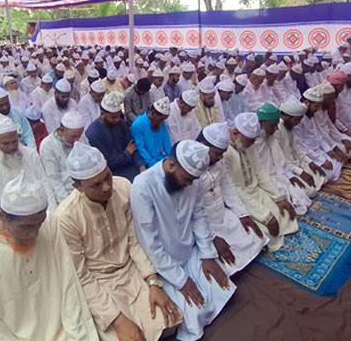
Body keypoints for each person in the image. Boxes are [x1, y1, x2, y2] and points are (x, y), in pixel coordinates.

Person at [56, 143, 182, 341]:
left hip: (131, 270)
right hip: (99, 283)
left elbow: (135, 240)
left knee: (169, 322)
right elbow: (81, 275)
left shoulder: (123, 186)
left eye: (107, 176)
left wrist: (153, 282)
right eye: (96, 185)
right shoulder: (66, 217)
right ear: (77, 187)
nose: (107, 187)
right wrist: (117, 319)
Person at [0, 172, 100, 341]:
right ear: (1, 215)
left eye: (39, 224)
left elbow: (70, 287)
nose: (35, 233)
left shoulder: (50, 225)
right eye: (26, 227)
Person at [131, 140, 236, 341]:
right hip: (163, 263)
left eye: (193, 180)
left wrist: (207, 255)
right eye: (187, 179)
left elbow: (199, 216)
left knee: (221, 287)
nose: (190, 184)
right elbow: (149, 242)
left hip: (189, 250)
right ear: (171, 165)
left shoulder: (192, 180)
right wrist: (181, 280)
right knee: (195, 312)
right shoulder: (143, 186)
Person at [196, 123, 267, 275]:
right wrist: (212, 237)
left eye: (222, 154)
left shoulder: (218, 162)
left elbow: (227, 187)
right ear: (203, 146)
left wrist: (242, 214)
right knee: (223, 259)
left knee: (254, 236)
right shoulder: (191, 168)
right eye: (217, 154)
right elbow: (192, 212)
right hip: (205, 222)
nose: (220, 158)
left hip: (222, 214)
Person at [223, 112, 298, 252]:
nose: (253, 144)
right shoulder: (225, 152)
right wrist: (264, 215)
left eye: (253, 140)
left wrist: (279, 197)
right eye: (250, 140)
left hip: (256, 190)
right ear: (235, 133)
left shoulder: (248, 144)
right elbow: (234, 189)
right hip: (240, 199)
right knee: (265, 230)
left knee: (284, 214)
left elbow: (260, 171)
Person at [0, 115, 56, 226]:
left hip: (40, 215)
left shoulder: (31, 155)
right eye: (5, 143)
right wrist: (6, 230)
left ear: (18, 137)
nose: (11, 147)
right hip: (11, 224)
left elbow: (45, 185)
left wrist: (51, 216)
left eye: (14, 141)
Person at [254, 103, 314, 215]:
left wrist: (290, 176)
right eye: (274, 125)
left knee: (308, 192)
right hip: (263, 180)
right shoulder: (252, 142)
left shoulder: (270, 135)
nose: (276, 128)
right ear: (262, 123)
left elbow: (280, 160)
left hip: (279, 174)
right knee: (283, 209)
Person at [86, 91, 145, 181]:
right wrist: (127, 153)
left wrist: (141, 166)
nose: (117, 120)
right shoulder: (93, 133)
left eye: (118, 116)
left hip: (131, 165)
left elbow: (133, 147)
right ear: (102, 114)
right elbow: (108, 162)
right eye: (113, 117)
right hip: (113, 174)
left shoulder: (121, 124)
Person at [40, 111, 89, 204]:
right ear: (61, 131)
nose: (77, 140)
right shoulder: (48, 145)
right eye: (73, 136)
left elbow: (89, 163)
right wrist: (67, 203)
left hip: (86, 188)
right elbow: (54, 179)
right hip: (64, 193)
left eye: (79, 136)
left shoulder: (81, 138)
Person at [0, 85, 35, 155]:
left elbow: (28, 135)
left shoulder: (18, 113)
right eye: (1, 105)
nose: (5, 107)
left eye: (7, 103)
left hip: (22, 153)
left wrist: (31, 153)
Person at [130, 97, 172, 169]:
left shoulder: (160, 122)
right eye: (161, 119)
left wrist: (171, 158)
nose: (162, 122)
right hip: (146, 163)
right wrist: (154, 165)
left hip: (160, 160)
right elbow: (141, 148)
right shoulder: (138, 124)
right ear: (153, 113)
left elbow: (166, 142)